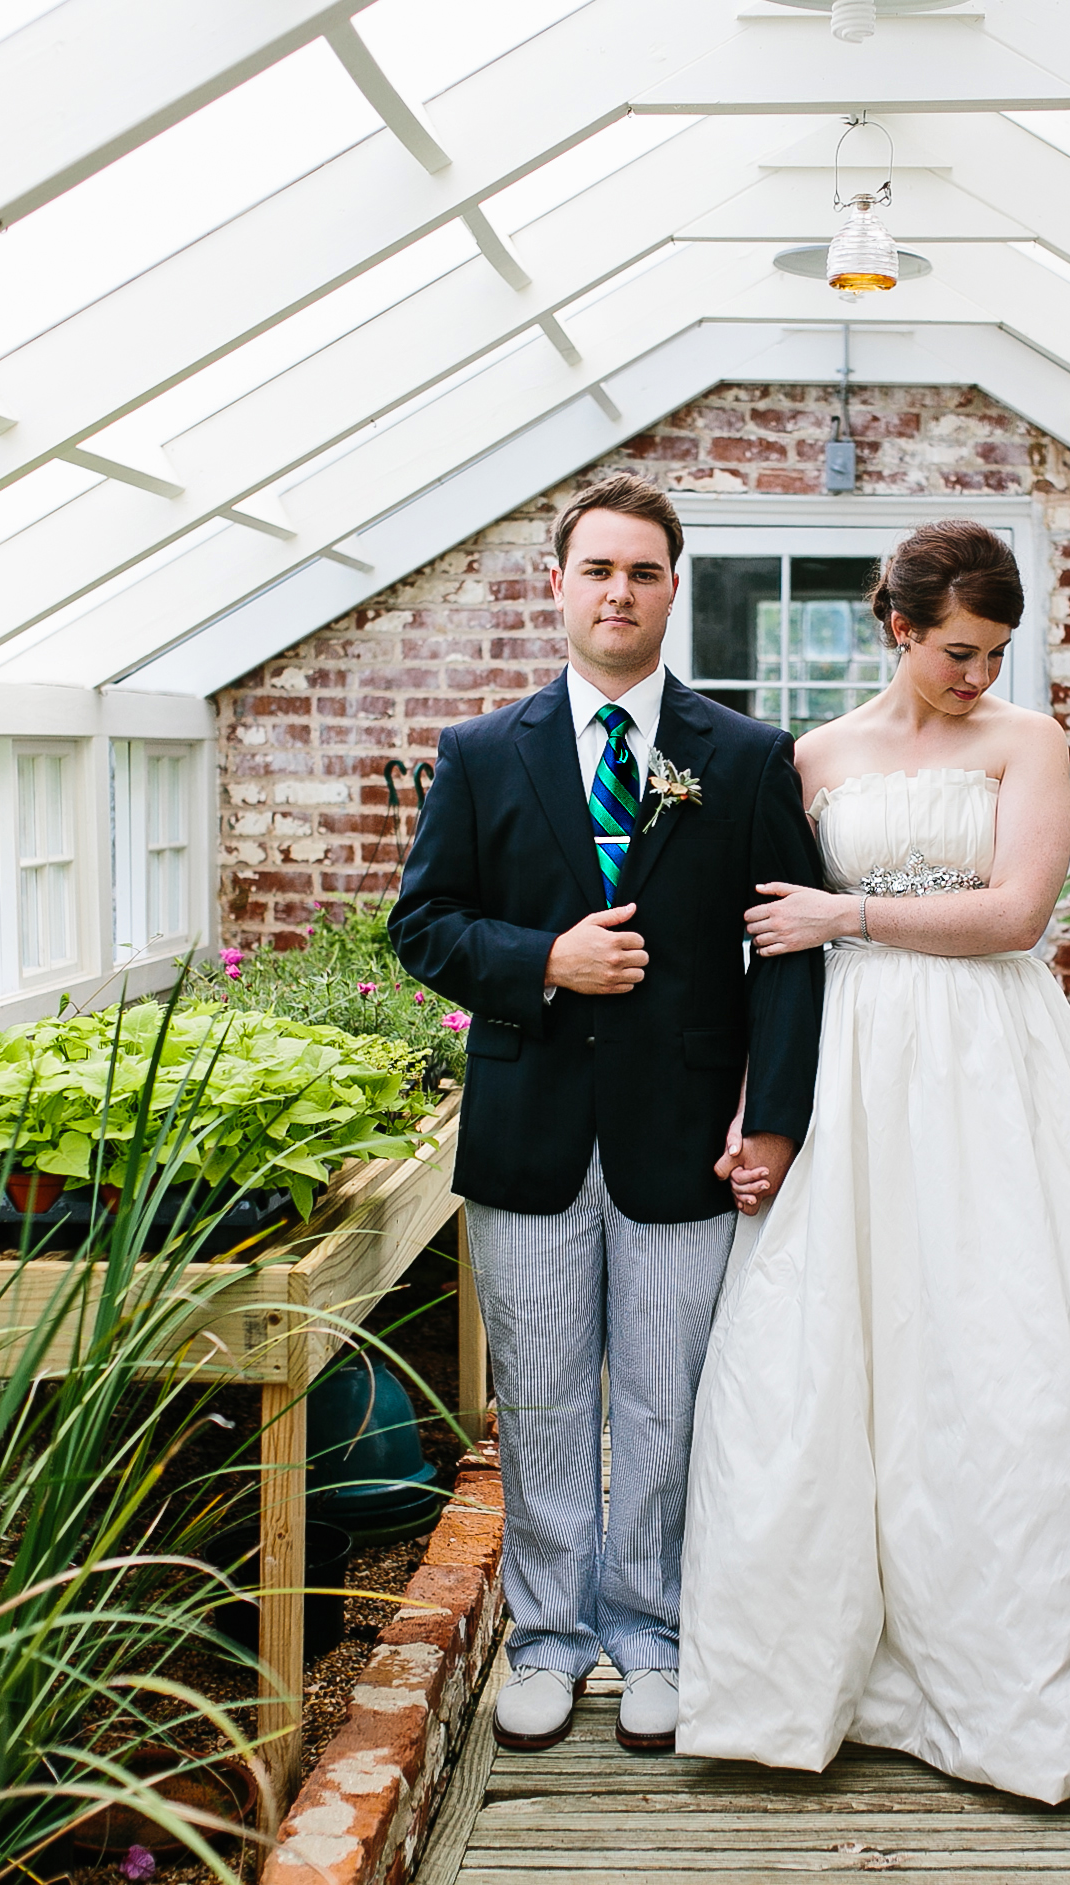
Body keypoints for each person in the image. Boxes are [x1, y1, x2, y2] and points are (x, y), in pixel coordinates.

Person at [675, 520, 1070, 1803]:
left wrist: (850, 910)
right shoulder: (811, 758)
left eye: (996, 653)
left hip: (991, 1065)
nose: (980, 675)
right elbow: (776, 955)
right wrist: (760, 1115)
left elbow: (1017, 915)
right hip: (853, 1075)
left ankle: (1020, 1675)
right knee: (829, 1355)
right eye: (959, 652)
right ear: (898, 629)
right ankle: (818, 1675)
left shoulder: (1024, 744)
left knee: (1013, 1345)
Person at [391, 471, 828, 1756]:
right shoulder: (480, 753)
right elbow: (422, 924)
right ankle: (545, 1637)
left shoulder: (744, 757)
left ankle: (650, 1633)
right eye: (599, 569)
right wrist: (544, 962)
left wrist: (776, 1121)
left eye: (644, 572)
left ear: (672, 590)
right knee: (535, 1398)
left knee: (662, 1398)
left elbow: (791, 951)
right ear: (559, 585)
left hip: (683, 1133)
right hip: (527, 1130)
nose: (619, 592)